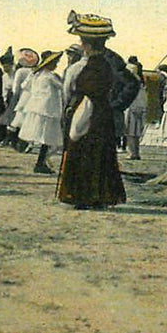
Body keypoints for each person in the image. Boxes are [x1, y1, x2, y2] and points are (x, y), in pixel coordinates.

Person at [56, 14, 126, 209]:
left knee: (82, 151)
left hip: (85, 111)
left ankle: (82, 195)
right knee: (101, 154)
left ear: (86, 45)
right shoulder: (108, 66)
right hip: (103, 115)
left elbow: (68, 91)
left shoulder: (80, 67)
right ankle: (100, 196)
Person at [18, 50, 65, 174]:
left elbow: (24, 86)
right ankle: (40, 163)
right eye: (54, 63)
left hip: (37, 108)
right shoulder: (50, 76)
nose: (56, 65)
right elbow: (63, 87)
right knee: (47, 137)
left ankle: (41, 162)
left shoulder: (36, 75)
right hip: (48, 110)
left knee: (44, 137)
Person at [1, 48, 38, 150]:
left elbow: (15, 88)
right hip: (32, 98)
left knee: (15, 120)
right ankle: (28, 143)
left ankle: (13, 142)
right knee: (27, 120)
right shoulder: (34, 71)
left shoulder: (20, 71)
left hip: (20, 97)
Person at [123, 62, 146, 160]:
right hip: (139, 108)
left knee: (130, 132)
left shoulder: (131, 83)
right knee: (136, 133)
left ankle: (132, 152)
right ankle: (136, 152)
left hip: (132, 108)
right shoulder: (140, 82)